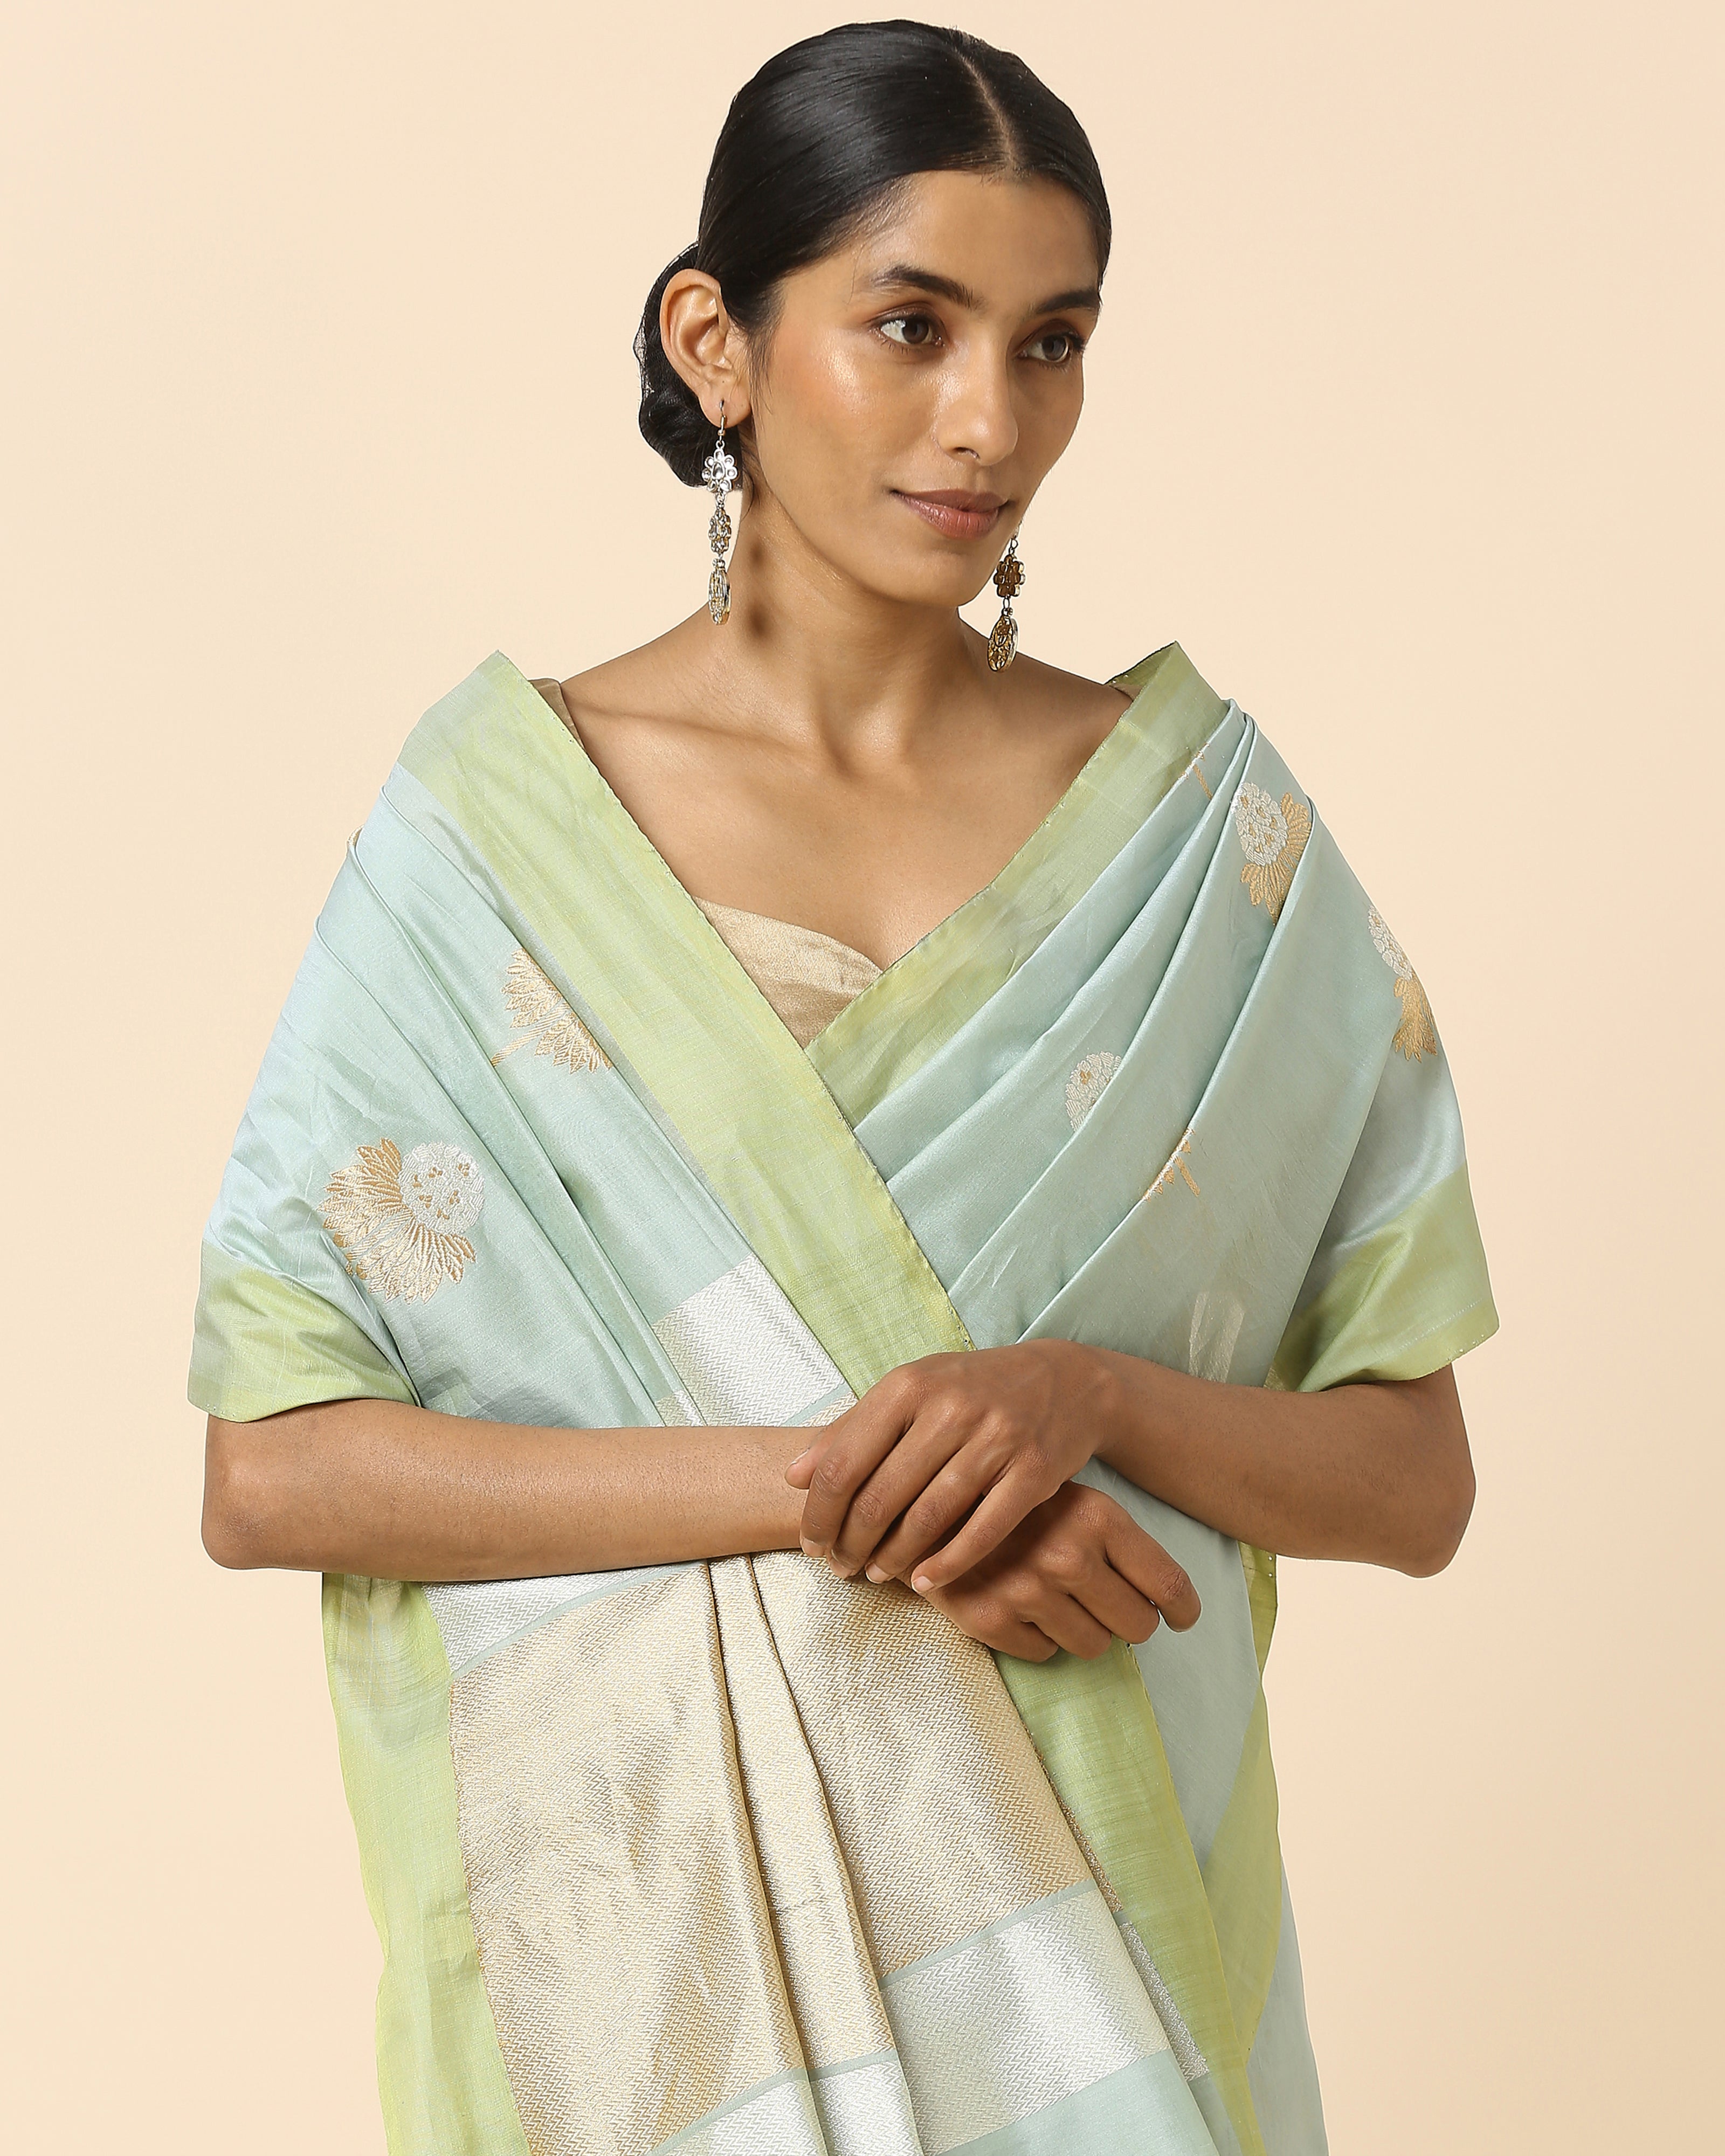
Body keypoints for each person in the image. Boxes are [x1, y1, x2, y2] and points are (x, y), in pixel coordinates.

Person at [193, 22, 1495, 2156]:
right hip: (668, 1996)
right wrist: (867, 1493)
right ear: (715, 340)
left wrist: (1082, 1398)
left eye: (1052, 342)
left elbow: (1409, 1482)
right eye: (912, 326)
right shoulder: (497, 847)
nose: (991, 420)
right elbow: (276, 1473)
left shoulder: (1206, 851)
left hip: (1118, 1962)